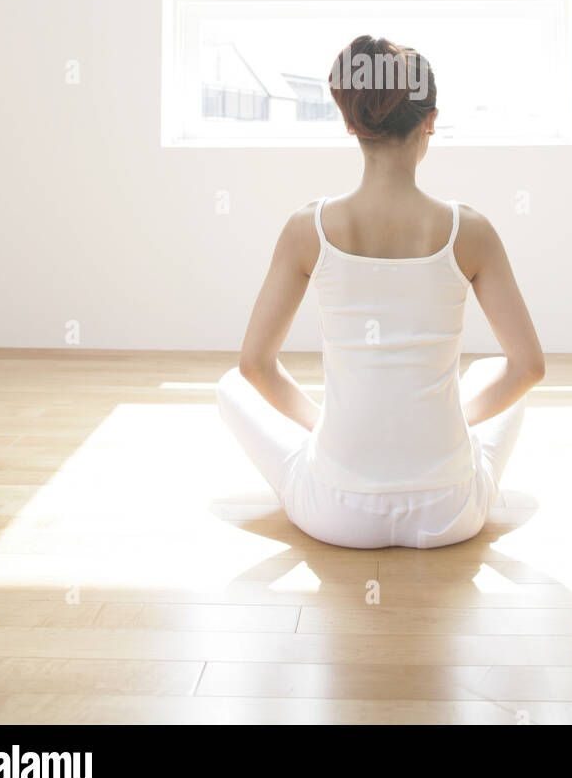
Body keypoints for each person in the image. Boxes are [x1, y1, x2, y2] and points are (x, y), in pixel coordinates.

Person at [217, 34, 545, 549]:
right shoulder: (471, 230)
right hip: (451, 513)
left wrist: (323, 423)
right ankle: (446, 440)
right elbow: (529, 368)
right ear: (430, 120)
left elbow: (255, 366)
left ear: (350, 122)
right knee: (490, 375)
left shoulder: (310, 229)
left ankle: (338, 443)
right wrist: (453, 420)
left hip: (334, 513)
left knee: (231, 386)